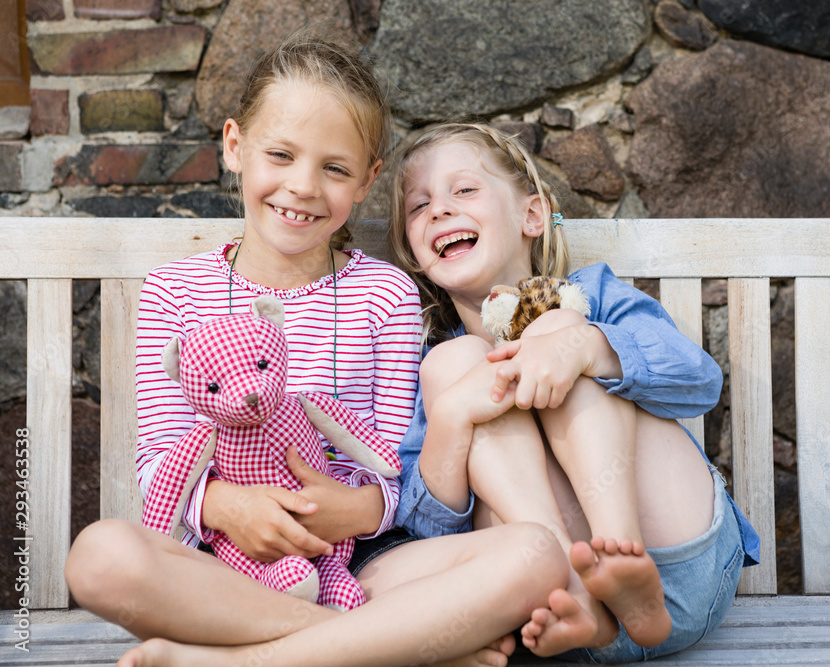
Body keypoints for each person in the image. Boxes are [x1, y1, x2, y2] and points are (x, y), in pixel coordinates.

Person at [64, 32, 569, 667]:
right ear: (235, 146)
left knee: (535, 554)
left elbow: (400, 463)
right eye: (281, 154)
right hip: (226, 564)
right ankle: (378, 643)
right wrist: (231, 506)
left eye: (334, 168)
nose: (302, 186)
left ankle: (243, 661)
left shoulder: (384, 294)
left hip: (364, 563)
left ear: (366, 180)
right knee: (99, 556)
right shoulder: (174, 291)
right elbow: (161, 462)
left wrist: (356, 509)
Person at [386, 122, 761, 662]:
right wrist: (452, 418)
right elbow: (430, 530)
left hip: (676, 568)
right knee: (455, 364)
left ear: (532, 216)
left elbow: (698, 381)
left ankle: (619, 557)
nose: (439, 210)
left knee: (557, 327)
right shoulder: (431, 361)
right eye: (419, 206)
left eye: (464, 189)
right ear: (414, 254)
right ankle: (576, 582)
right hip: (554, 611)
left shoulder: (595, 294)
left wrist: (585, 346)